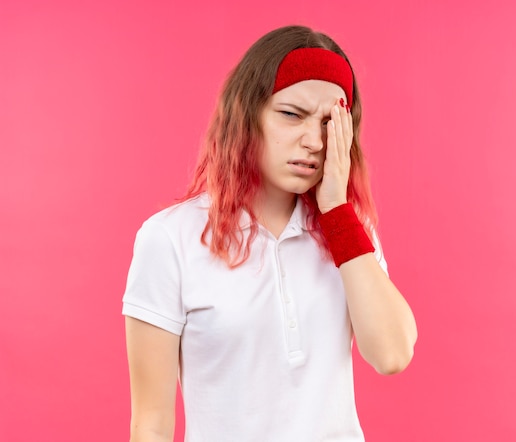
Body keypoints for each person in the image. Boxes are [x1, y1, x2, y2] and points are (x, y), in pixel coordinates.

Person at [122, 25, 417, 442]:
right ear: (247, 113)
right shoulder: (170, 239)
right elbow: (150, 425)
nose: (313, 140)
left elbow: (392, 354)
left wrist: (336, 212)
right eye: (291, 114)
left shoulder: (349, 231)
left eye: (330, 123)